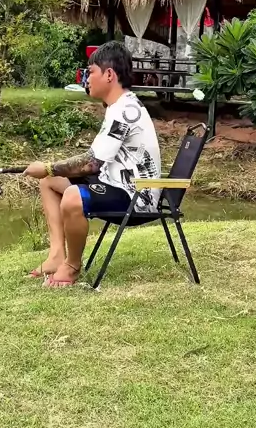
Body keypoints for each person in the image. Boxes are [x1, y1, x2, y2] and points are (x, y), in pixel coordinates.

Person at [24, 41, 161, 287]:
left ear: (109, 75)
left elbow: (91, 163)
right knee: (50, 182)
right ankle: (57, 255)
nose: (87, 79)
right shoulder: (118, 106)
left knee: (72, 196)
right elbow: (94, 157)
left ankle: (72, 266)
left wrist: (47, 166)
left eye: (91, 72)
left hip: (137, 196)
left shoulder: (125, 111)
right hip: (116, 182)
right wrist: (49, 171)